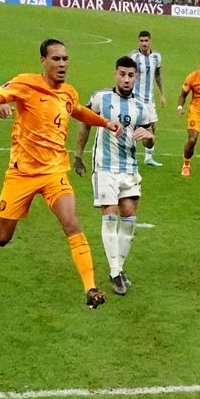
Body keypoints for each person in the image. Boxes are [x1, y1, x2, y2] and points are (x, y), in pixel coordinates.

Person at [0, 38, 122, 309]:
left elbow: (79, 111)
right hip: (22, 173)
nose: (62, 64)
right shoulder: (26, 83)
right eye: (56, 59)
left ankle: (90, 289)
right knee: (0, 238)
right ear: (43, 61)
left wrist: (105, 123)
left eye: (65, 59)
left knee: (72, 223)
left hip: (54, 172)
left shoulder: (68, 92)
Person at [73, 56, 155, 296]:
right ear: (115, 74)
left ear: (136, 77)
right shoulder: (101, 98)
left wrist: (148, 137)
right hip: (105, 167)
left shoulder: (142, 107)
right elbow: (85, 123)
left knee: (128, 218)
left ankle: (118, 267)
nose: (126, 79)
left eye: (131, 75)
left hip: (129, 168)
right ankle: (115, 271)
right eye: (122, 74)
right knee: (109, 217)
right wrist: (78, 154)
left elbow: (150, 138)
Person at [129, 30, 165, 167]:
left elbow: (158, 76)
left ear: (150, 41)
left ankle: (148, 157)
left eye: (146, 40)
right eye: (141, 41)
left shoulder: (156, 57)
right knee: (131, 126)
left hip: (149, 99)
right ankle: (129, 154)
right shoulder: (134, 56)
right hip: (135, 98)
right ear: (139, 41)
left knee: (152, 128)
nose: (144, 43)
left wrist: (162, 94)